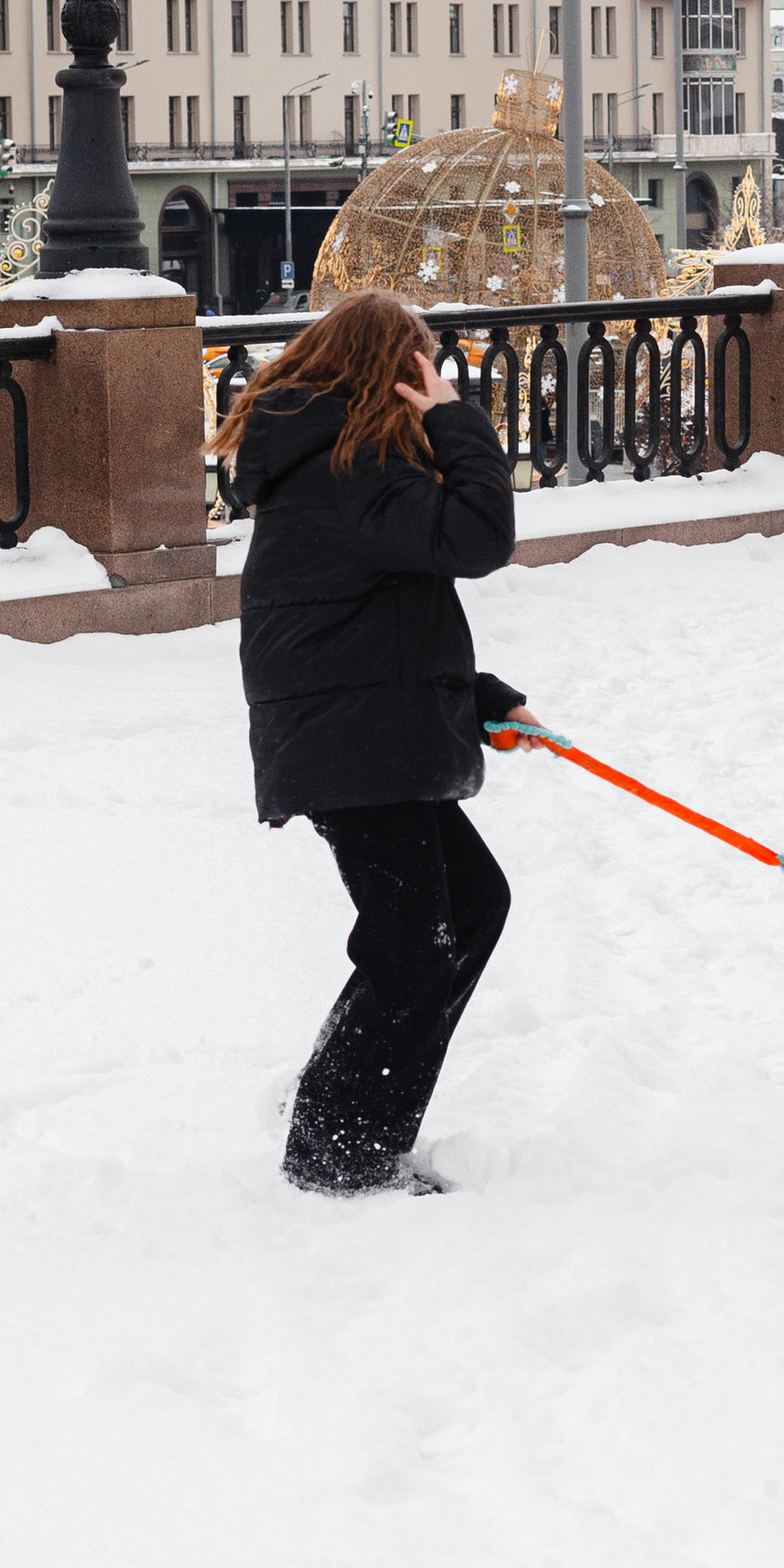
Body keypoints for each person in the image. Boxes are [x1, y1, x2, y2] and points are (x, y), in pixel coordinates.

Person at [216, 289, 526, 1195]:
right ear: (394, 374)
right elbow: (477, 537)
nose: (436, 381)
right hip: (350, 745)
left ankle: (340, 1117)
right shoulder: (351, 466)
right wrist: (460, 423)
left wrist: (477, 700)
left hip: (354, 732)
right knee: (415, 943)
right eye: (425, 366)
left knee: (462, 911)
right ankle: (337, 1147)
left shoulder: (339, 464)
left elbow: (378, 614)